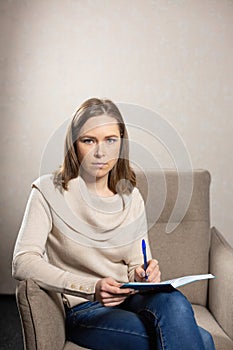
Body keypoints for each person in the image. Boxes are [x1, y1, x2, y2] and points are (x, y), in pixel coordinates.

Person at [12, 98, 215, 350]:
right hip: (85, 309)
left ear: (121, 143)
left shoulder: (130, 197)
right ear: (74, 144)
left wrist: (144, 274)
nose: (101, 152)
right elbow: (22, 262)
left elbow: (135, 267)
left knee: (173, 300)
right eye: (89, 140)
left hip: (132, 298)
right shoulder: (47, 191)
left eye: (110, 140)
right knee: (204, 340)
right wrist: (91, 287)